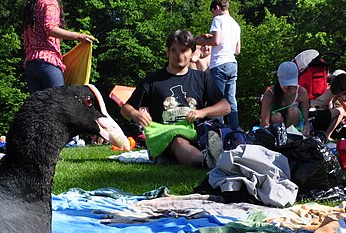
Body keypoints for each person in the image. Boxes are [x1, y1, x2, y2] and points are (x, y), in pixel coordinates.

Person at [121, 29, 230, 167]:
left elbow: (225, 107)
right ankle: (206, 162)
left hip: (197, 133)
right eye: (174, 50)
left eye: (184, 50)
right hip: (165, 136)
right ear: (167, 52)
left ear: (192, 52)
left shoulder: (202, 78)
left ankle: (218, 156)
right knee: (178, 141)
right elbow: (125, 109)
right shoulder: (151, 81)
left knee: (219, 135)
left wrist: (202, 112)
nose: (179, 55)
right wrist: (135, 114)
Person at [21, 0, 95, 94]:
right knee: (58, 105)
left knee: (40, 107)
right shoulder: (50, 3)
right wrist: (79, 36)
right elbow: (50, 28)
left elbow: (26, 41)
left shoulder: (32, 6)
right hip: (48, 63)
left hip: (31, 65)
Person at [195, 0, 240, 127]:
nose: (213, 15)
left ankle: (217, 129)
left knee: (217, 100)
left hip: (219, 63)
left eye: (213, 12)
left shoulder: (218, 20)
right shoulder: (236, 24)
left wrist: (200, 40)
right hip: (232, 63)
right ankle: (234, 130)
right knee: (231, 99)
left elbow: (216, 41)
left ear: (217, 8)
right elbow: (237, 50)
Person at [260, 61, 311, 135]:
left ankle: (291, 137)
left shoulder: (302, 92)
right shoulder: (270, 93)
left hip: (295, 126)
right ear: (278, 79)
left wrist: (306, 128)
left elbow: (305, 120)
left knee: (293, 111)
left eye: (291, 84)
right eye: (286, 84)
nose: (289, 87)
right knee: (276, 117)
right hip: (275, 127)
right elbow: (265, 121)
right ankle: (279, 139)